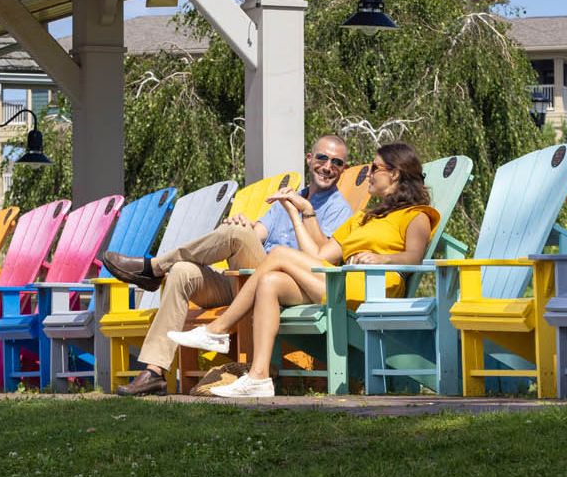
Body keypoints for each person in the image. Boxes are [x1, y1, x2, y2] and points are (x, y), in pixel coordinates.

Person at [170, 142, 439, 398]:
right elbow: (320, 254)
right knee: (270, 283)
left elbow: (413, 259)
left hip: (371, 291)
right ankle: (259, 377)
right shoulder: (364, 217)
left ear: (394, 174)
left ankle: (219, 329)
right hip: (339, 284)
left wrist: (380, 260)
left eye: (374, 167)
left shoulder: (416, 215)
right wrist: (300, 212)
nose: (368, 173)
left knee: (277, 254)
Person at [103, 135, 354, 396]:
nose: (328, 167)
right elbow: (258, 233)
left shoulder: (339, 209)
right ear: (309, 158)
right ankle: (154, 372)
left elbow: (320, 258)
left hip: (283, 284)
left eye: (336, 162)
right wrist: (241, 226)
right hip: (244, 280)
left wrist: (301, 213)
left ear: (343, 169)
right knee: (182, 272)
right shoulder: (287, 198)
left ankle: (154, 267)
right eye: (322, 158)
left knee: (234, 238)